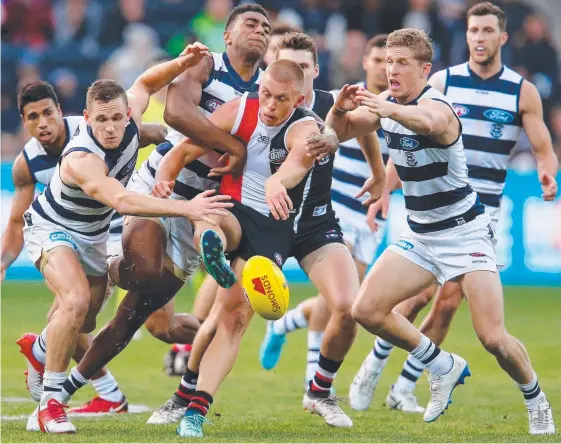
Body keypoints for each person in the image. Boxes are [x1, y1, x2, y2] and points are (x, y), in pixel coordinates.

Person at [36, 4, 271, 428]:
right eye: (250, 24)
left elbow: (146, 87)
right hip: (159, 189)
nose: (260, 31)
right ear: (229, 35)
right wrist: (231, 148)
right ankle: (118, 273)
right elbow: (178, 114)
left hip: (202, 203)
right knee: (140, 274)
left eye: (266, 27)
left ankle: (70, 386)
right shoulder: (205, 65)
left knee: (139, 317)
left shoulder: (267, 91)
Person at [328, 27, 555, 434]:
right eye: (387, 61)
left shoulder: (439, 106)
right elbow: (340, 133)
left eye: (401, 63)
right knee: (365, 310)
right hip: (420, 235)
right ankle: (442, 364)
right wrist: (339, 111)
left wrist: (386, 110)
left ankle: (536, 399)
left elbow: (428, 123)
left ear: (425, 70)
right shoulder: (387, 103)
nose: (390, 69)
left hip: (466, 233)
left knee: (493, 338)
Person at [162, 59, 327, 438]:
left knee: (232, 320)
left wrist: (277, 183)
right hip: (231, 207)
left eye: (280, 99)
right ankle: (212, 248)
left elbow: (299, 162)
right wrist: (164, 178)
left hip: (272, 228)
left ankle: (194, 408)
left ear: (299, 99)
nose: (269, 105)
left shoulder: (305, 127)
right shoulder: (238, 109)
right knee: (210, 212)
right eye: (265, 93)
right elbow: (184, 150)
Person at [258, 33, 386, 416]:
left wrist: (379, 174)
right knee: (227, 314)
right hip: (268, 222)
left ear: (314, 69)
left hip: (318, 223)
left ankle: (319, 390)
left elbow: (363, 127)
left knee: (350, 307)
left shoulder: (332, 103)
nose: (294, 73)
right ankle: (189, 397)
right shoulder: (258, 105)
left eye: (302, 66)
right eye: (286, 65)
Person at [1, 82, 137, 424]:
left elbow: (148, 133)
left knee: (80, 320)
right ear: (24, 121)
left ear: (63, 111)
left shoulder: (95, 126)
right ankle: (66, 401)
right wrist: (3, 261)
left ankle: (43, 349)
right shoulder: (26, 163)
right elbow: (17, 219)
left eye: (48, 112)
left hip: (110, 230)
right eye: (34, 117)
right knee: (73, 305)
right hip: (60, 231)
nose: (43, 122)